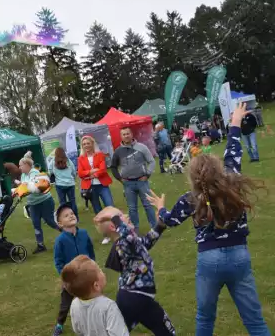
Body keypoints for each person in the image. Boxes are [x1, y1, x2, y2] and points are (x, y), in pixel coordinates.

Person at [146, 103, 270, 336]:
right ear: (219, 169)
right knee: (255, 321)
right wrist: (234, 122)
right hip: (239, 256)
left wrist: (161, 209)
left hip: (209, 260)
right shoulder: (232, 181)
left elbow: (170, 221)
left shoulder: (190, 198)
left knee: (204, 318)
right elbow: (233, 149)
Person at [94, 206, 175, 335]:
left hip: (130, 297)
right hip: (137, 297)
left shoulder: (131, 243)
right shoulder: (123, 242)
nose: (126, 216)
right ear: (114, 226)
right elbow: (128, 236)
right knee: (166, 330)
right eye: (121, 216)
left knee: (120, 332)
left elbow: (146, 241)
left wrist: (160, 224)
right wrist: (114, 219)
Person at [52, 204, 95, 336]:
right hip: (70, 279)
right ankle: (60, 324)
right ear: (60, 223)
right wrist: (65, 277)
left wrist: (93, 267)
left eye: (71, 213)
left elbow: (91, 251)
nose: (71, 215)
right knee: (65, 304)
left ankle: (92, 322)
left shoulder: (84, 233)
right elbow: (58, 261)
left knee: (90, 300)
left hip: (86, 275)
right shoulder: (60, 241)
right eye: (66, 215)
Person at [61, 255, 129, 336]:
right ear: (96, 285)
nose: (102, 271)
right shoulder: (108, 307)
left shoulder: (74, 304)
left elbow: (77, 330)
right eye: (99, 270)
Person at [110, 127, 157, 232]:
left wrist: (148, 174)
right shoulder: (118, 151)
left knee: (148, 205)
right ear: (121, 136)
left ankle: (155, 227)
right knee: (132, 208)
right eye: (124, 134)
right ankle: (134, 229)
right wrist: (120, 179)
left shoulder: (142, 147)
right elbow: (113, 167)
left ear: (131, 134)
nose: (126, 136)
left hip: (142, 181)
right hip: (128, 184)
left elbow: (152, 161)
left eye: (128, 133)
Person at [18, 151, 60, 254]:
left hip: (45, 201)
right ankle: (40, 245)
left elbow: (34, 186)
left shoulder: (35, 173)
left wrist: (24, 185)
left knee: (50, 221)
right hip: (33, 204)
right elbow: (24, 188)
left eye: (20, 165)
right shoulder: (23, 175)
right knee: (36, 223)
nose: (19, 168)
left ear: (27, 165)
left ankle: (67, 232)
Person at [77, 136, 113, 245]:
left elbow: (103, 170)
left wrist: (92, 174)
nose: (86, 145)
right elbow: (80, 173)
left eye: (88, 143)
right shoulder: (81, 158)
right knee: (98, 211)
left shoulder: (100, 155)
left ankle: (119, 230)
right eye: (84, 144)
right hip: (90, 188)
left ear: (92, 144)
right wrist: (92, 171)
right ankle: (106, 235)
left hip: (102, 185)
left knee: (110, 207)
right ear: (82, 146)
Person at [51, 148, 78, 219]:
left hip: (59, 185)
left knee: (62, 202)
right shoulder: (68, 161)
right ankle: (76, 218)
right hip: (70, 184)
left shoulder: (53, 162)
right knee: (72, 201)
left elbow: (50, 171)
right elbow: (73, 171)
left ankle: (65, 217)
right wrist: (73, 177)